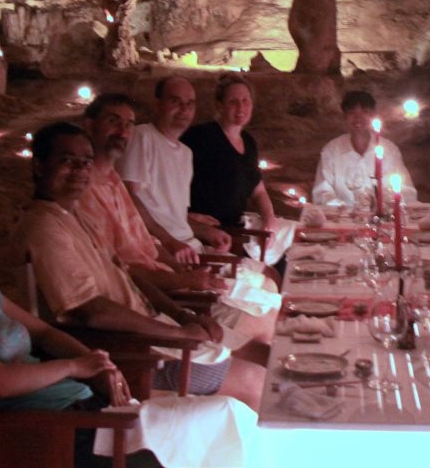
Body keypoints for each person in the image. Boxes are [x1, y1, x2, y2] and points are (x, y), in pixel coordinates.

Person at [0, 192, 257, 468]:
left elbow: (43, 334)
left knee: (226, 416)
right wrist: (74, 367)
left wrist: (93, 362)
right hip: (48, 433)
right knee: (214, 420)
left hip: (83, 406)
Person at [22, 122, 265, 410]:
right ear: (39, 166)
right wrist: (176, 333)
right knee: (257, 380)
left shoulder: (75, 216)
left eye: (85, 162)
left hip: (153, 328)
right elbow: (90, 310)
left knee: (261, 352)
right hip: (131, 352)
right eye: (67, 161)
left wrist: (180, 314)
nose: (79, 170)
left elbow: (128, 273)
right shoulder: (44, 227)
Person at [76, 92, 278, 359]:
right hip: (147, 311)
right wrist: (183, 282)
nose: (123, 132)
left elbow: (146, 241)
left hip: (168, 283)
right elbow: (123, 272)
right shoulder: (80, 196)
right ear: (89, 126)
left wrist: (179, 256)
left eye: (128, 125)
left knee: (270, 305)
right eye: (114, 122)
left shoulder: (114, 180)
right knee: (262, 331)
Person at [116, 76, 217, 265]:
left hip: (190, 246)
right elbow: (128, 200)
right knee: (265, 282)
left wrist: (206, 230)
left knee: (270, 276)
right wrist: (168, 242)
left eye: (189, 103)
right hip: (164, 251)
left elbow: (171, 213)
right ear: (158, 104)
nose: (184, 109)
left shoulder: (186, 153)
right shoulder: (142, 137)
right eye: (175, 101)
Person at [180, 74, 279, 235]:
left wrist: (269, 218)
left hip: (236, 227)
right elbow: (172, 181)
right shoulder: (200, 137)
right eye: (233, 102)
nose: (241, 107)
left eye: (245, 100)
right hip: (208, 231)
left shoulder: (248, 142)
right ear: (220, 106)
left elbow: (258, 190)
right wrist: (186, 217)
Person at [311, 90, 417, 208]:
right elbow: (322, 193)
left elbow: (407, 191)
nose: (358, 117)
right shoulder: (332, 150)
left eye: (365, 112)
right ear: (345, 116)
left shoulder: (389, 150)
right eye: (352, 112)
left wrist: (388, 203)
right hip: (344, 220)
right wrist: (345, 210)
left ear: (372, 115)